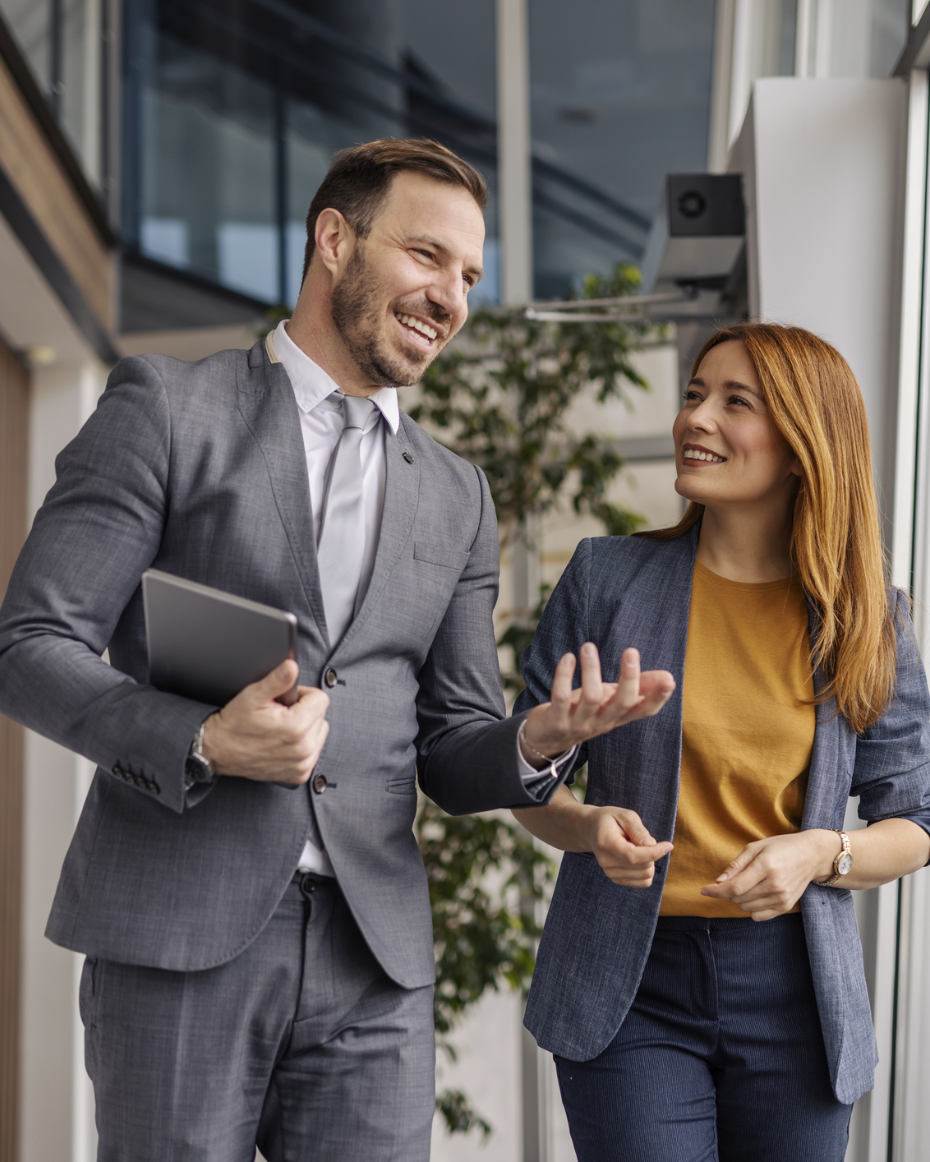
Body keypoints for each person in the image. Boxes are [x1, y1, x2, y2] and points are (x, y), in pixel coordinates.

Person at [0, 138, 674, 1162]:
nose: (451, 297)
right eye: (427, 255)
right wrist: (205, 740)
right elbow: (30, 643)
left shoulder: (458, 493)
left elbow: (450, 743)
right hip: (180, 931)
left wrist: (535, 739)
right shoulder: (168, 410)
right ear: (334, 239)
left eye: (469, 276)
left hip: (373, 958)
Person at [512, 321, 930, 1162]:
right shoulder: (605, 579)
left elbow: (915, 819)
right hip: (629, 983)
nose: (695, 418)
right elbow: (529, 784)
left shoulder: (865, 618)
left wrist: (821, 852)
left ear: (803, 446)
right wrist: (584, 821)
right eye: (695, 394)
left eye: (735, 402)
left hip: (796, 990)